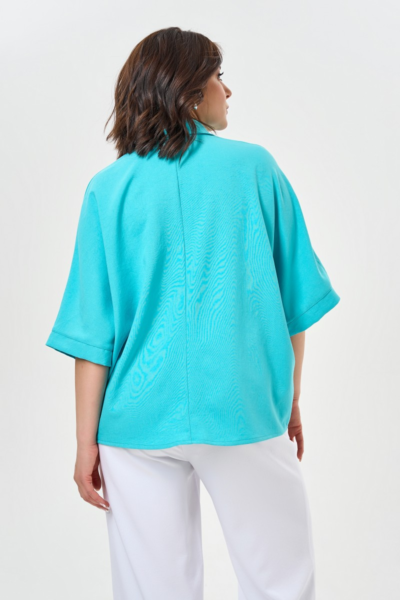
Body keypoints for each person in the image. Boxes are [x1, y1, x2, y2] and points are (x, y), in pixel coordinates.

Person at [45, 26, 340, 600]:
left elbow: (93, 335)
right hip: (243, 410)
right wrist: (288, 399)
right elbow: (293, 304)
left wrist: (86, 445)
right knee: (281, 583)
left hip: (134, 422)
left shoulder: (108, 189)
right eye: (218, 77)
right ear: (188, 92)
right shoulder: (255, 168)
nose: (227, 91)